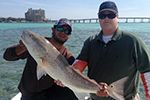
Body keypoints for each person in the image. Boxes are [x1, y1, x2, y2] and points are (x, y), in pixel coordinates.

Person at [72, 1, 150, 100]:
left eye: (111, 15)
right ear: (98, 18)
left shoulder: (133, 41)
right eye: (102, 15)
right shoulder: (90, 42)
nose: (106, 18)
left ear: (118, 17)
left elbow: (147, 71)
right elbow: (79, 65)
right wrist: (64, 76)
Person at [3, 18, 78, 100]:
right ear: (53, 29)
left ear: (69, 35)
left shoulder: (67, 56)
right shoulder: (36, 43)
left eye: (67, 31)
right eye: (60, 28)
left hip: (49, 92)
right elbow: (7, 56)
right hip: (29, 93)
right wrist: (21, 48)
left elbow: (74, 75)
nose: (63, 32)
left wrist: (64, 82)